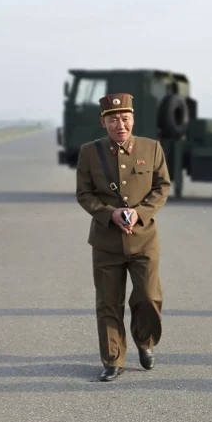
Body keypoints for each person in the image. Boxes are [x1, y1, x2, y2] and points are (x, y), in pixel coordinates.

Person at [75, 93, 171, 382]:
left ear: (133, 120)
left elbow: (162, 187)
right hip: (106, 241)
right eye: (113, 120)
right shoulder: (89, 152)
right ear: (103, 122)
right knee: (108, 302)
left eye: (125, 119)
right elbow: (84, 194)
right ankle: (113, 358)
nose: (120, 125)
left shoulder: (151, 148)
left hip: (143, 239)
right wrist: (110, 213)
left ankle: (145, 341)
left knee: (148, 296)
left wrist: (140, 213)